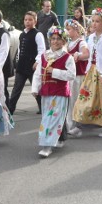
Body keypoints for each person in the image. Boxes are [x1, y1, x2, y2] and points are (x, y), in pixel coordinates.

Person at [72, 8, 102, 137]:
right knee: (83, 99)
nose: (94, 24)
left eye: (97, 21)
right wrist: (79, 55)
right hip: (92, 72)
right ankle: (78, 125)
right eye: (93, 21)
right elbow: (89, 55)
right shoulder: (91, 37)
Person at [32, 26, 75, 157]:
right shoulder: (45, 56)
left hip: (60, 92)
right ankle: (60, 137)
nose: (55, 41)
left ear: (63, 41)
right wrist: (35, 88)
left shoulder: (67, 57)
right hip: (46, 92)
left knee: (52, 118)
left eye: (58, 39)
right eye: (53, 39)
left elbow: (71, 75)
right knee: (48, 117)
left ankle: (47, 146)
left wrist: (54, 72)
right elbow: (38, 74)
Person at [8, 11, 45, 114]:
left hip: (33, 65)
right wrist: (17, 60)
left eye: (30, 20)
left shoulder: (38, 34)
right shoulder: (22, 34)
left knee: (36, 87)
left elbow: (42, 50)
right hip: (22, 65)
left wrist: (37, 61)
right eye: (26, 20)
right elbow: (20, 49)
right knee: (16, 88)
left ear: (35, 21)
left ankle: (42, 107)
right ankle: (10, 109)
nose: (27, 22)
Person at [65, 19, 89, 136]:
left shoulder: (81, 42)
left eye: (69, 29)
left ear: (75, 30)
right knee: (69, 101)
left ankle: (75, 125)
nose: (67, 31)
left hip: (78, 76)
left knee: (75, 101)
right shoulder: (69, 43)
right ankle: (69, 124)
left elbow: (86, 54)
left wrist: (78, 55)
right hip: (70, 76)